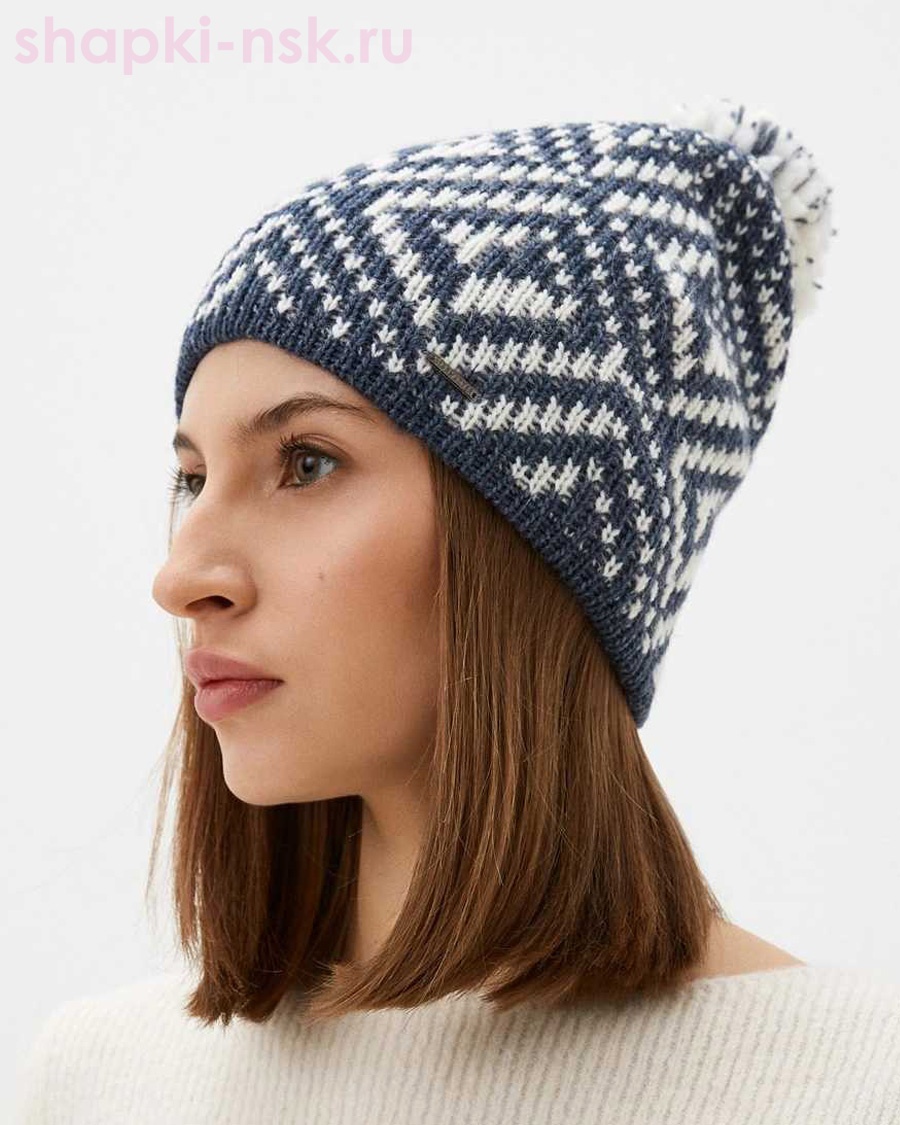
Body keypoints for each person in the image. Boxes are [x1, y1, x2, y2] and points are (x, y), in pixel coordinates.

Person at [16, 98, 900, 1124]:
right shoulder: (100, 1080)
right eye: (193, 477)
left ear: (533, 541)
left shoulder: (857, 1079)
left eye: (307, 463)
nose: (182, 577)